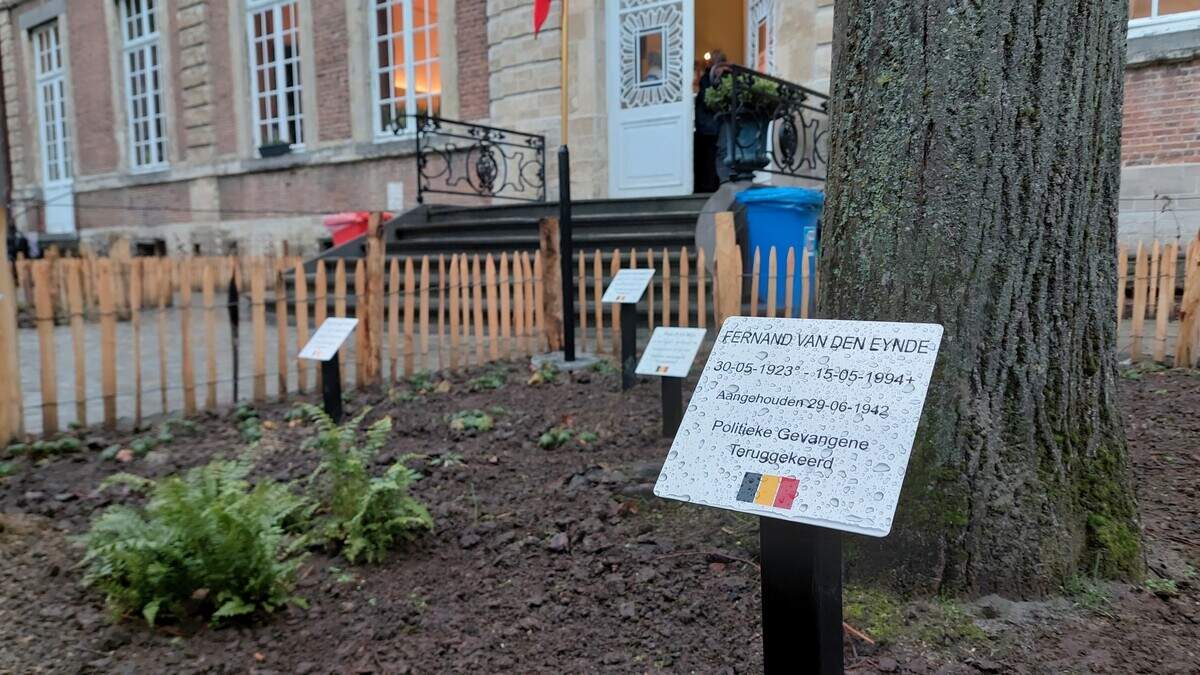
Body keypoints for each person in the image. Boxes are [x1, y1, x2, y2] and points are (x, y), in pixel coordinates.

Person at [694, 51, 730, 193]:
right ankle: (709, 186)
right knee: (709, 157)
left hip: (712, 124)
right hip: (709, 125)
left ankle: (714, 184)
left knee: (714, 155)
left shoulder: (720, 77)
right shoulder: (707, 79)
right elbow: (708, 100)